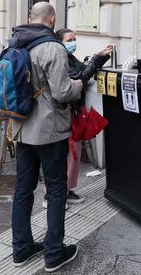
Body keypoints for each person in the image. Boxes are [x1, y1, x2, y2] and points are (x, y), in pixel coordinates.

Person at [11, 2, 83, 272]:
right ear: (52, 20)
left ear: (31, 19)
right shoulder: (53, 47)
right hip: (49, 130)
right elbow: (63, 93)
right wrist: (77, 84)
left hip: (20, 127)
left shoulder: (16, 43)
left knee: (23, 189)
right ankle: (54, 253)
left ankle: (21, 248)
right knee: (55, 190)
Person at [42, 28, 113, 206]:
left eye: (75, 38)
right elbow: (80, 78)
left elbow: (84, 70)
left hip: (74, 112)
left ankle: (67, 190)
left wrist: (101, 56)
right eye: (70, 39)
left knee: (74, 155)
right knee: (64, 155)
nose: (74, 42)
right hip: (64, 113)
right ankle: (50, 196)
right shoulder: (61, 59)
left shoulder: (71, 58)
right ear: (60, 42)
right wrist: (97, 59)